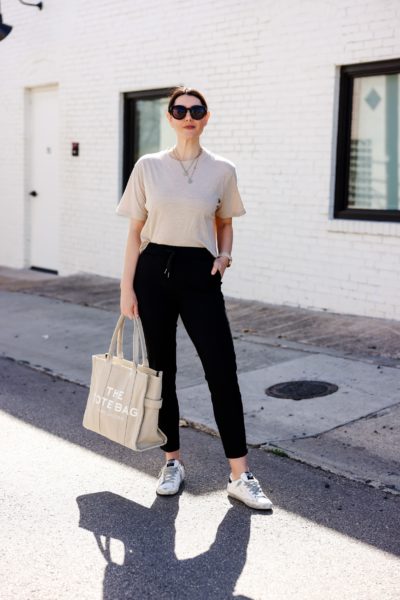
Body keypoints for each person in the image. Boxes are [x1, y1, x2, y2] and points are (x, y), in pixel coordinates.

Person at [116, 86, 273, 510]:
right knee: (161, 370)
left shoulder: (222, 169)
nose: (188, 116)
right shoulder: (148, 167)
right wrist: (126, 288)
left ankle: (240, 474)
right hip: (153, 272)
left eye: (196, 110)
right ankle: (172, 462)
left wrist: (224, 256)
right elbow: (134, 233)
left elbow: (225, 221)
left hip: (200, 274)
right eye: (180, 110)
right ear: (169, 117)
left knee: (222, 369)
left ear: (206, 118)